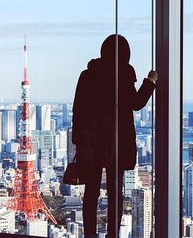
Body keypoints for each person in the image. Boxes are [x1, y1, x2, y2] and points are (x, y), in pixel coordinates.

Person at [72, 34, 158, 238]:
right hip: (115, 141)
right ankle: (113, 235)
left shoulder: (87, 75)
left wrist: (79, 142)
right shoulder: (123, 73)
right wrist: (150, 81)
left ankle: (90, 235)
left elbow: (78, 110)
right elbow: (136, 103)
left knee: (91, 193)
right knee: (115, 193)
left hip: (91, 143)